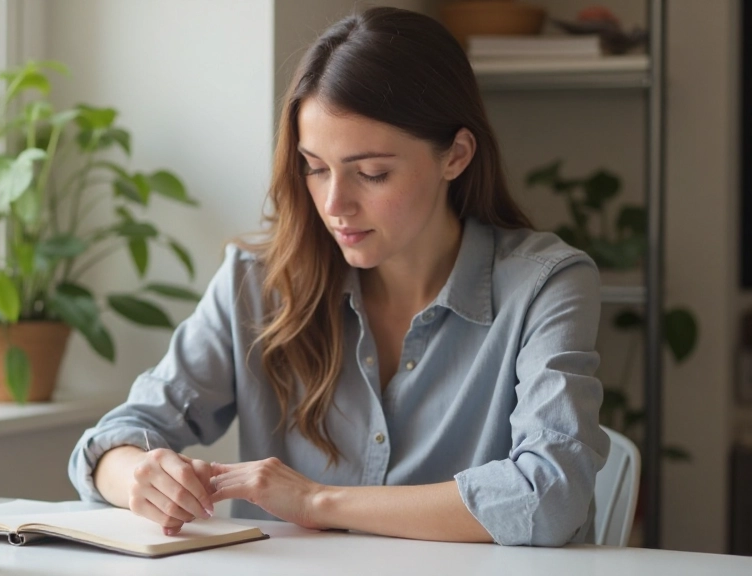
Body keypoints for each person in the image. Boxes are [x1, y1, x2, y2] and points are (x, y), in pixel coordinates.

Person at [69, 6, 609, 547]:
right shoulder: (256, 284)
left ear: (456, 156)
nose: (334, 204)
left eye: (371, 173)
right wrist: (139, 474)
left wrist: (313, 501)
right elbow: (110, 444)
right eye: (315, 167)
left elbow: (550, 495)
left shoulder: (546, 285)